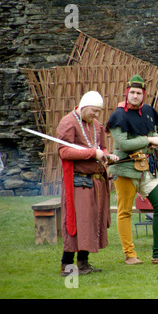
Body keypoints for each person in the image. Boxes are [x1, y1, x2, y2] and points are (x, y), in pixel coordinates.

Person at [107, 75, 158, 265]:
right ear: (127, 93)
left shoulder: (147, 111)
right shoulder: (118, 115)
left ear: (143, 94)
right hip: (125, 169)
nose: (135, 96)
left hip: (146, 168)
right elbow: (123, 143)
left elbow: (153, 131)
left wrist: (157, 139)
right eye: (132, 93)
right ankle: (130, 255)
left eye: (139, 93)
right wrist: (148, 140)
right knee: (125, 212)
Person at [57, 91, 118, 276]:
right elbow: (64, 152)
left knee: (91, 222)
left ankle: (83, 263)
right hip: (78, 183)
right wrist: (92, 153)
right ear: (83, 107)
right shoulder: (68, 123)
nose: (97, 115)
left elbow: (102, 147)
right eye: (94, 111)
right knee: (77, 222)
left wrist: (107, 155)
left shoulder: (97, 125)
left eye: (99, 111)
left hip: (97, 182)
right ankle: (67, 266)